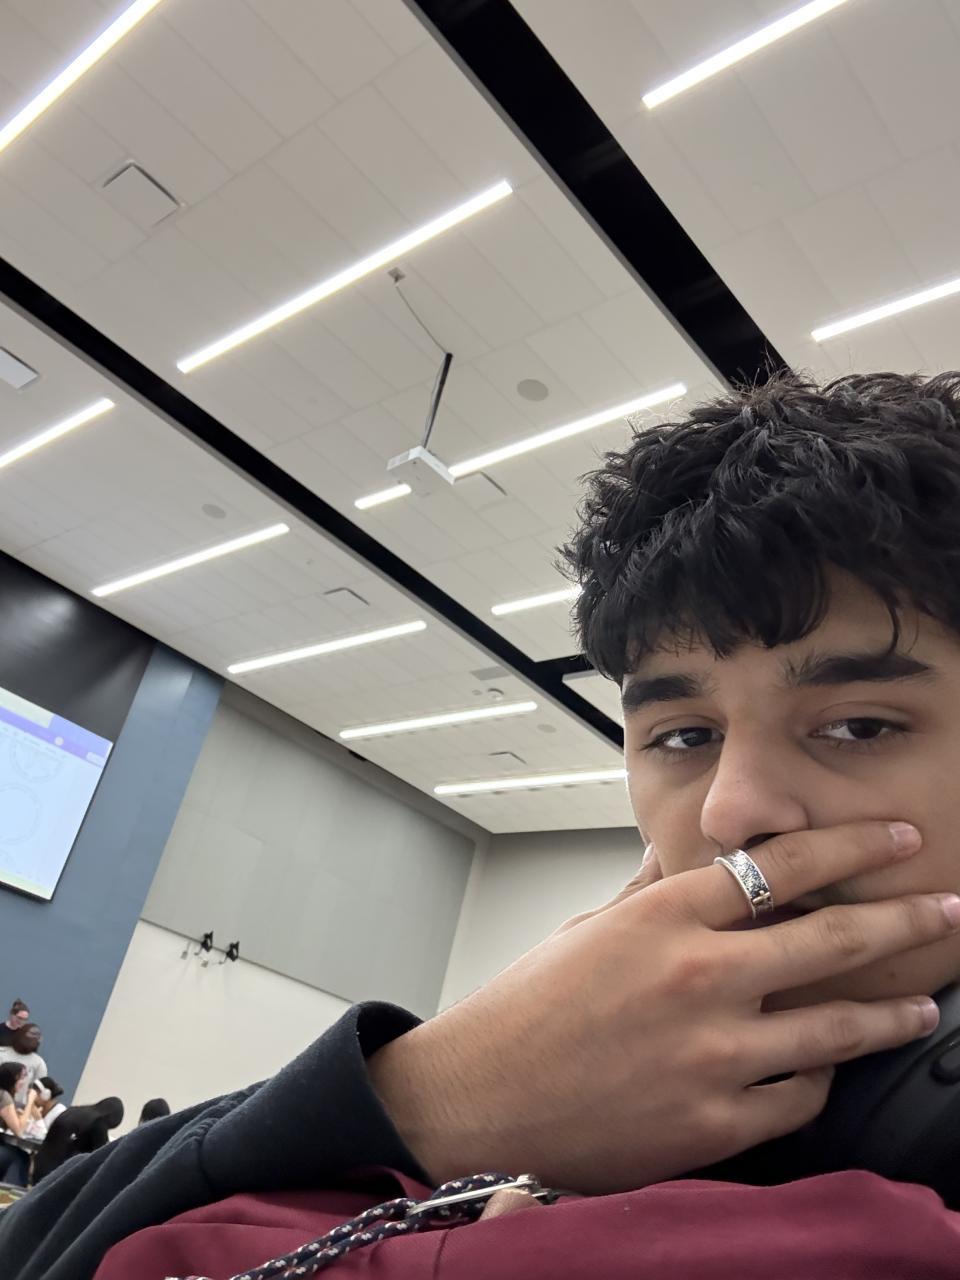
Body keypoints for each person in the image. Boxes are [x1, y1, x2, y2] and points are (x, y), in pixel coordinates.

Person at [7, 372, 960, 1277]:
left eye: (858, 725)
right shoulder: (582, 1119)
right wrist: (432, 1094)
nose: (730, 809)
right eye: (683, 736)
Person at [33, 1099, 124, 1185]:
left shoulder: (73, 1111)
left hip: (42, 1162)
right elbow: (101, 1155)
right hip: (60, 1171)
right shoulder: (98, 1123)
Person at [0, 1063, 41, 1188]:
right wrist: (30, 1102)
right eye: (22, 1077)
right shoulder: (4, 1096)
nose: (24, 1082)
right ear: (13, 1079)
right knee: (21, 1156)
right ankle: (13, 1191)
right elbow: (19, 1130)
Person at [0, 1027, 47, 1107]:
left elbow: (39, 1089)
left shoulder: (38, 1062)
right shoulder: (2, 1053)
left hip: (18, 1105)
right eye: (30, 1036)